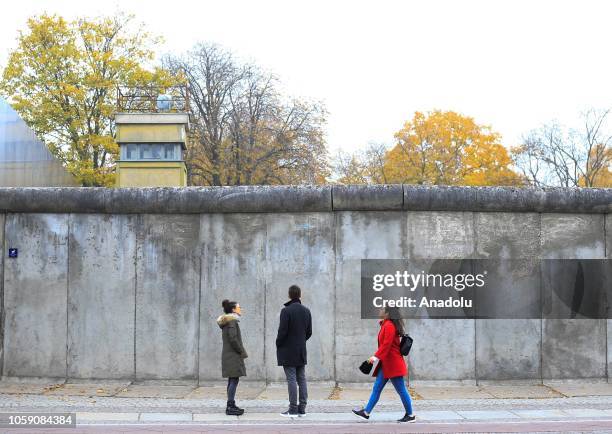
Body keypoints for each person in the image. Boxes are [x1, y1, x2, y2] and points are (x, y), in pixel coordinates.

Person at [352, 306, 415, 423]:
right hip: (386, 364)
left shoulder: (389, 326)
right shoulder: (386, 324)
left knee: (401, 390)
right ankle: (366, 412)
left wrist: (375, 357)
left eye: (382, 309)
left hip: (393, 365)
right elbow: (384, 346)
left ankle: (410, 415)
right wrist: (377, 357)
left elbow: (386, 345)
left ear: (387, 313)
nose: (379, 311)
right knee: (377, 388)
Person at [276, 285, 312, 417]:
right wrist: (300, 341)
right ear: (300, 295)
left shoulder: (286, 311)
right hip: (301, 350)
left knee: (291, 379)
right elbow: (309, 332)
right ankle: (302, 408)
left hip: (288, 350)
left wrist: (278, 343)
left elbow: (282, 332)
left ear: (289, 295)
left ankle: (292, 409)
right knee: (301, 379)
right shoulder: (306, 311)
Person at [217, 299, 248, 416]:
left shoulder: (229, 321)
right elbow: (233, 338)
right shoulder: (232, 322)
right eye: (239, 307)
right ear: (233, 310)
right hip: (233, 356)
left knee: (232, 380)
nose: (241, 309)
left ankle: (231, 404)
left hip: (230, 355)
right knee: (234, 380)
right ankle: (230, 406)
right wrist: (241, 351)